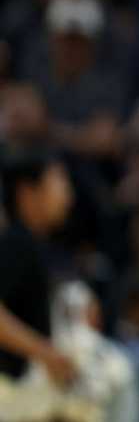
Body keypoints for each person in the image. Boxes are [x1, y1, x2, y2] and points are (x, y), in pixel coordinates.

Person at [0, 151, 76, 386]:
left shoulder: (37, 245)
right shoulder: (16, 244)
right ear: (27, 192)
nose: (68, 195)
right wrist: (45, 353)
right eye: (59, 182)